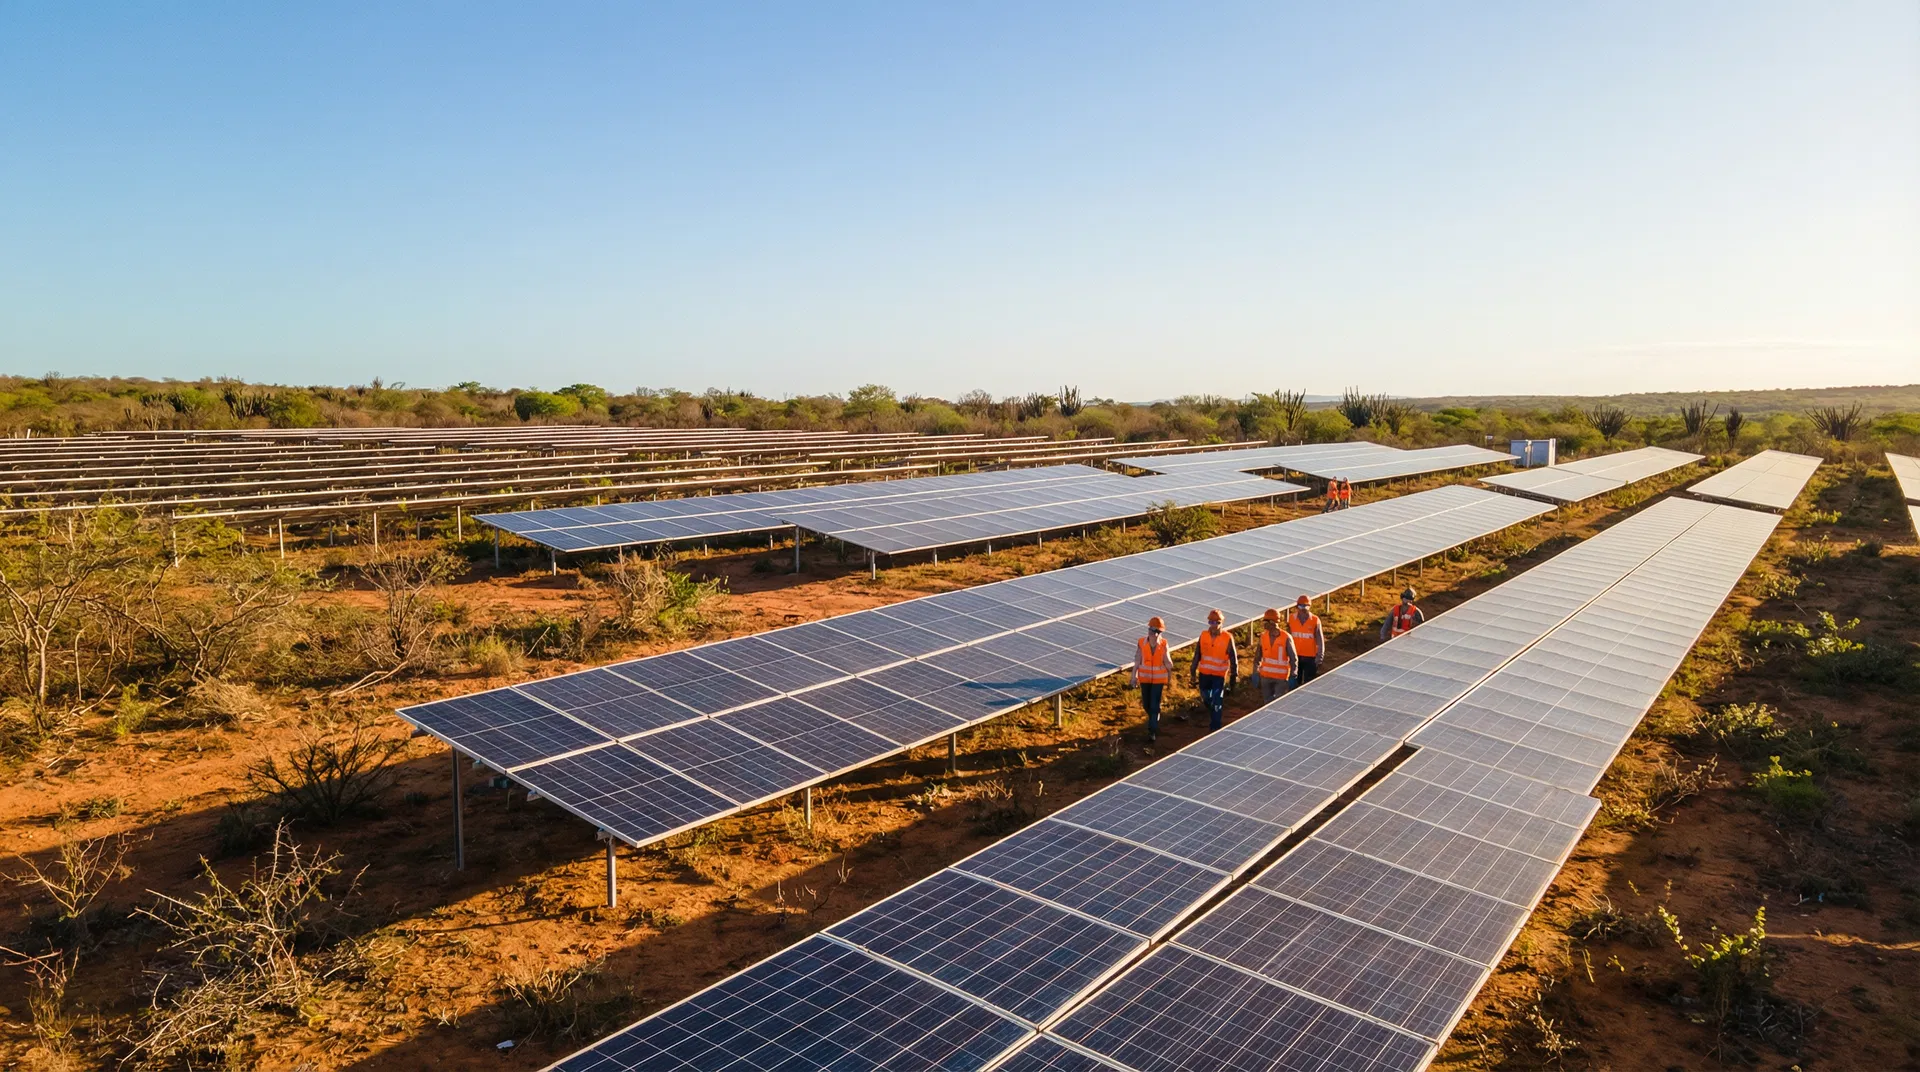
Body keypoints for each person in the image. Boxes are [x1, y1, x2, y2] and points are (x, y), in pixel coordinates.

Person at [1190, 609, 1239, 731]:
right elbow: (1197, 654)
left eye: (1216, 623)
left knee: (1217, 701)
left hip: (1219, 675)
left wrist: (1233, 676)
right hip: (1204, 674)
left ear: (1221, 623)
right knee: (1206, 698)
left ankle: (1215, 727)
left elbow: (1233, 658)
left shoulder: (1227, 638)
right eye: (1211, 622)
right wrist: (1192, 672)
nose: (1213, 625)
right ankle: (1212, 711)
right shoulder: (1203, 635)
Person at [1130, 616, 1173, 744]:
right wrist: (1134, 677)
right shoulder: (1141, 642)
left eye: (1157, 631)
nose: (1154, 633)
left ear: (1160, 632)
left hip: (1158, 680)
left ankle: (1152, 730)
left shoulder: (1164, 644)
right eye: (1152, 630)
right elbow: (1137, 661)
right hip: (1145, 679)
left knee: (1154, 704)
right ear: (1148, 629)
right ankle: (1154, 718)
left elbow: (1167, 661)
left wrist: (1170, 675)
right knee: (1146, 705)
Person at [1255, 608, 1295, 703]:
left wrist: (1293, 675)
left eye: (1266, 621)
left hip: (1281, 678)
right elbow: (1258, 656)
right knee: (1267, 703)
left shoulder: (1286, 637)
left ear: (1272, 622)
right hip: (1266, 677)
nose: (1264, 624)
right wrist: (1255, 672)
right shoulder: (1263, 637)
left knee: (1278, 704)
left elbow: (1293, 658)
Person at [1287, 594, 1325, 687]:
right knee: (1295, 682)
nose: (1303, 609)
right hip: (1295, 657)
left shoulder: (1315, 620)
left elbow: (1320, 640)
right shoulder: (1291, 619)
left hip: (1310, 658)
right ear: (1297, 606)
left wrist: (1319, 658)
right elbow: (1287, 639)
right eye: (1301, 606)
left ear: (1310, 606)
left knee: (1309, 684)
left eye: (1306, 606)